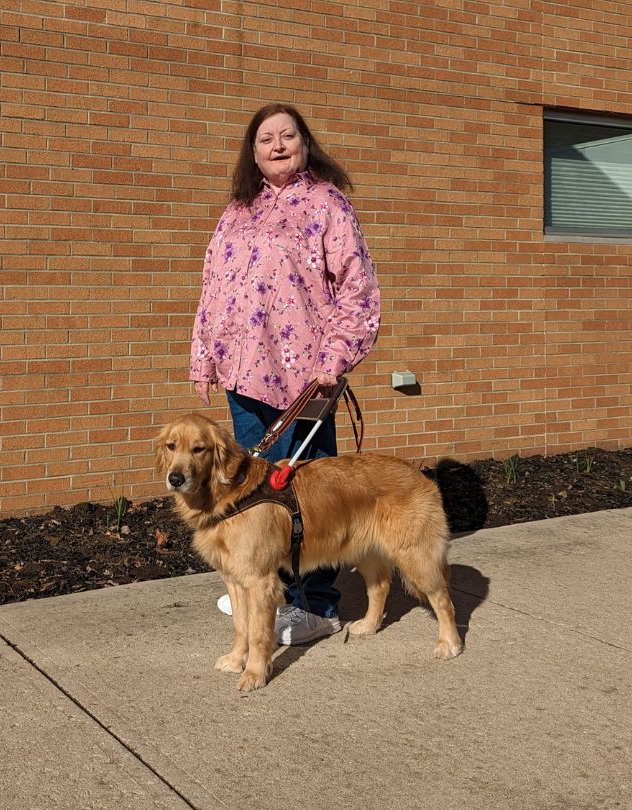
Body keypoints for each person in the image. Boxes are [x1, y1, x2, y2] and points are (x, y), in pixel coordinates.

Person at [189, 103, 381, 645]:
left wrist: (335, 358)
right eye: (265, 139)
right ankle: (262, 587)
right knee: (252, 489)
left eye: (287, 136)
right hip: (244, 373)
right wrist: (204, 353)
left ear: (304, 143)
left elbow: (357, 288)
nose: (277, 145)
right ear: (252, 152)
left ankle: (315, 605)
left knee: (310, 490)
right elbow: (213, 285)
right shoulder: (237, 211)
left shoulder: (327, 204)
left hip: (307, 379)